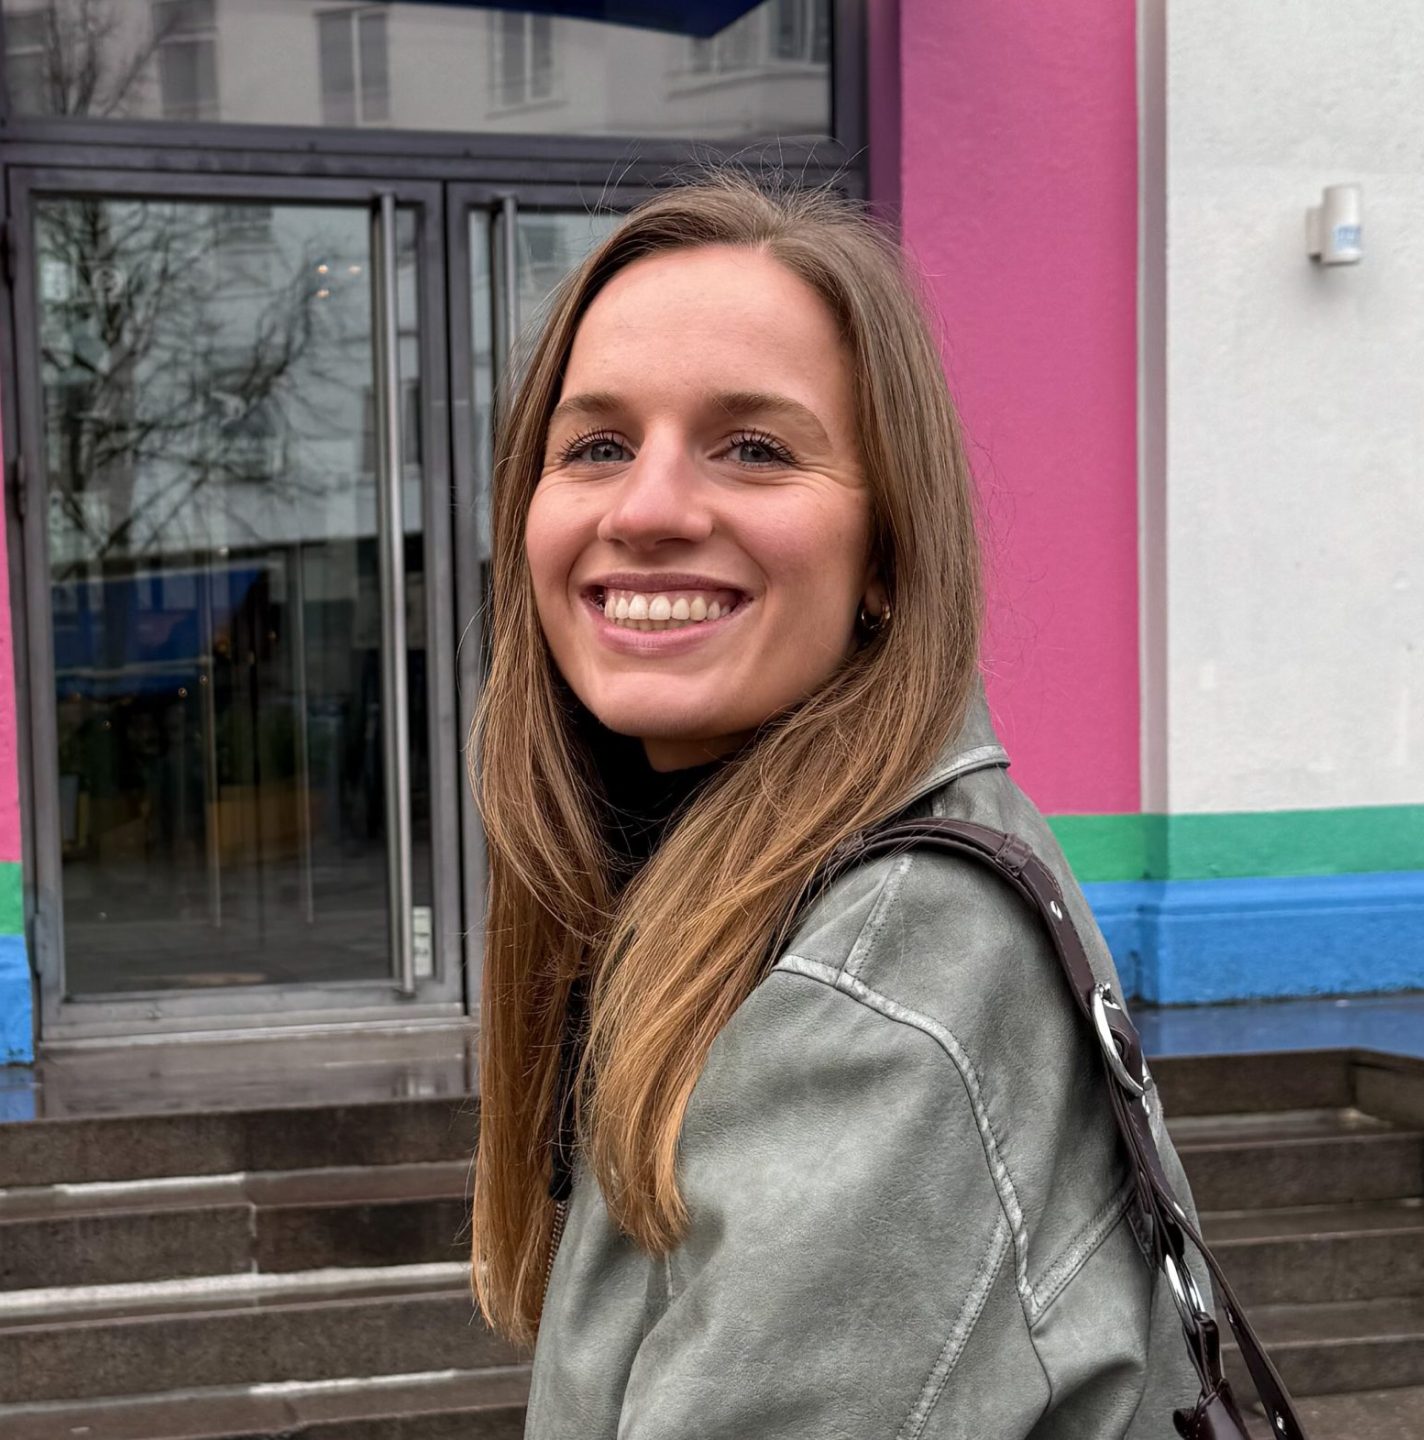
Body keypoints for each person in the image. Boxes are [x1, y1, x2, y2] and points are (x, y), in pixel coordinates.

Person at [470, 170, 1206, 1438]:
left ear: (887, 554)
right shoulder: (704, 882)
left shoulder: (883, 971)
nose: (647, 509)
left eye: (754, 448)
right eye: (597, 446)